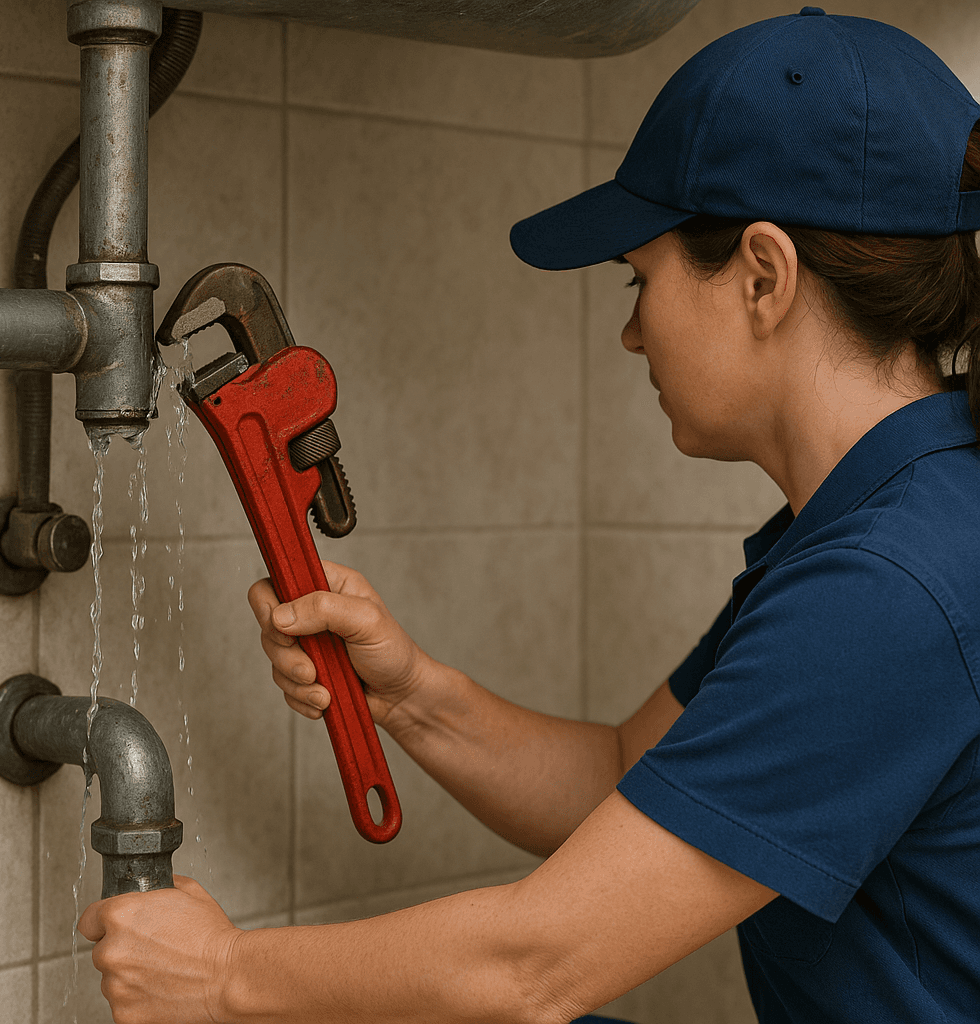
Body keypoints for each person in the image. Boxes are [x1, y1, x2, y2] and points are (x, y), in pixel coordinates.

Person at [78, 9, 980, 1023]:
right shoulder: (894, 524)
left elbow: (534, 966)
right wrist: (410, 695)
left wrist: (222, 975)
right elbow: (625, 776)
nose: (632, 332)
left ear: (762, 276)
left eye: (641, 279)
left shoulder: (888, 585)